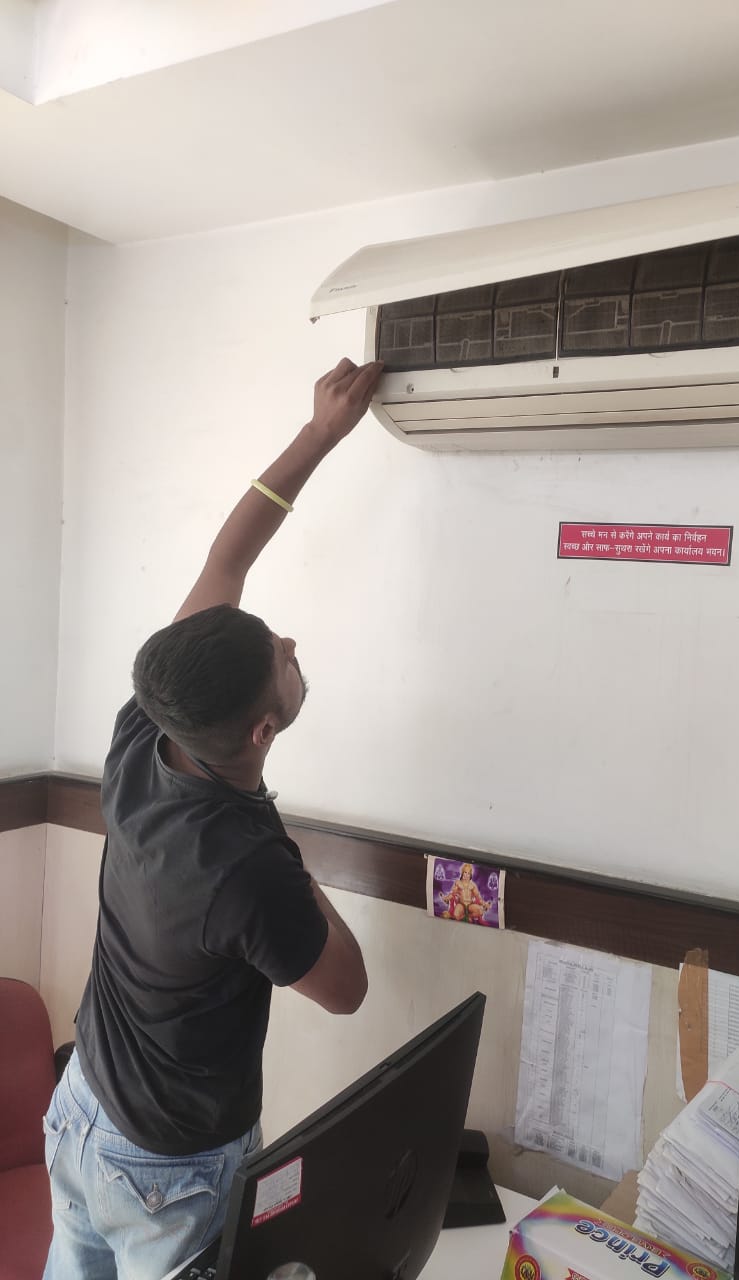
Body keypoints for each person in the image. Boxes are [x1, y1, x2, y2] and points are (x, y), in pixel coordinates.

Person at [42, 358, 382, 1280]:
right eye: (281, 658)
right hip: (168, 1170)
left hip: (81, 1111)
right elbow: (347, 987)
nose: (291, 643)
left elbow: (228, 560)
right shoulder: (248, 868)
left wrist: (319, 433)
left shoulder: (148, 728)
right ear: (264, 729)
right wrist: (282, 846)